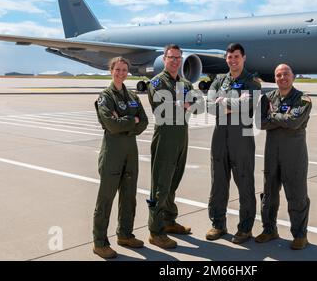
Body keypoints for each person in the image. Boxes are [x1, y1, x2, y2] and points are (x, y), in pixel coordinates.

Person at [147, 44, 204, 249]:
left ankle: (169, 221)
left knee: (173, 182)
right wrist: (184, 104)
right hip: (165, 137)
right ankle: (155, 231)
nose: (175, 61)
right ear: (164, 59)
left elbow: (199, 107)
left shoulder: (186, 83)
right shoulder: (157, 82)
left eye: (178, 58)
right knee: (161, 184)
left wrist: (183, 104)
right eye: (171, 57)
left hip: (182, 136)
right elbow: (163, 111)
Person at [93, 56, 149, 259]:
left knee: (129, 196)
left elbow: (143, 122)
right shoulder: (105, 96)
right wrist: (129, 121)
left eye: (124, 70)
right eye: (117, 69)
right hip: (112, 153)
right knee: (106, 199)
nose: (121, 73)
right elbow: (111, 125)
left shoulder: (133, 95)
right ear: (111, 71)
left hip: (130, 152)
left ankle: (125, 234)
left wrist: (124, 121)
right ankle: (100, 242)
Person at [206, 43, 261, 244]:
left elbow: (249, 105)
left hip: (242, 137)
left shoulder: (252, 81)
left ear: (243, 58)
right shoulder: (219, 80)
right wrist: (233, 104)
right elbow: (209, 107)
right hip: (220, 136)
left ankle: (245, 228)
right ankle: (218, 224)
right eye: (229, 57)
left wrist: (223, 102)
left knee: (245, 182)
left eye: (236, 56)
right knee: (218, 182)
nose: (233, 60)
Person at [255, 64, 312, 250]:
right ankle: (269, 230)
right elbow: (259, 122)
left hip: (294, 155)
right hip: (272, 154)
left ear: (293, 76)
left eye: (286, 74)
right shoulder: (267, 97)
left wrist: (273, 116)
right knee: (269, 194)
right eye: (278, 75)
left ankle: (300, 235)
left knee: (297, 195)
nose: (282, 78)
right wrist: (281, 118)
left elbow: (294, 122)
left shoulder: (303, 99)